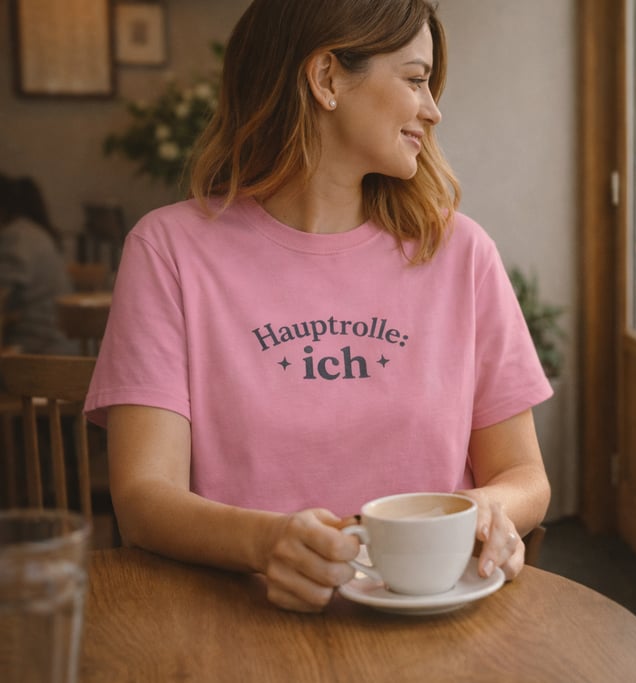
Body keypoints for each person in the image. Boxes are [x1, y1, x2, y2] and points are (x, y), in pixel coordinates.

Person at [84, 0, 552, 613]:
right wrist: (266, 542)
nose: (433, 110)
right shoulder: (169, 249)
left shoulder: (462, 253)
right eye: (415, 80)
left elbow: (525, 476)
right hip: (240, 619)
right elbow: (144, 497)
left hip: (435, 620)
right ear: (327, 77)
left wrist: (490, 509)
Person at [0, 174, 77, 356]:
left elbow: (3, 295)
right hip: (55, 341)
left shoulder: (17, 237)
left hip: (38, 349)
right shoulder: (30, 232)